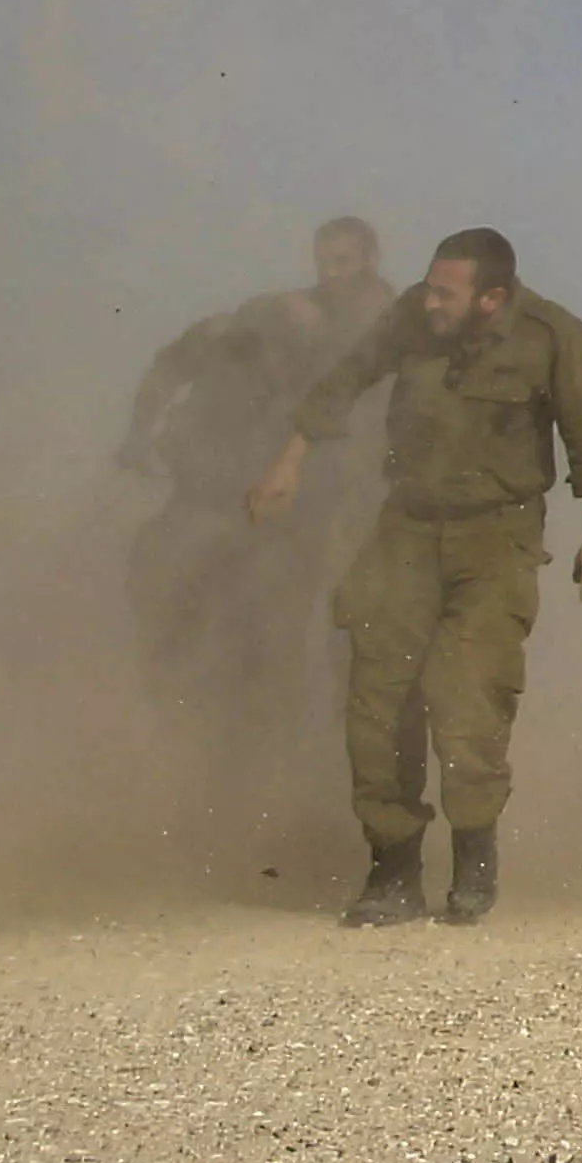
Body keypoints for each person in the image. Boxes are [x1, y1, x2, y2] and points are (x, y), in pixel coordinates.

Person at [252, 228, 582, 929]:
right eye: (428, 287)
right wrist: (291, 457)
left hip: (497, 536)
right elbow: (349, 373)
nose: (429, 302)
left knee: (468, 698)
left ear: (492, 299)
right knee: (377, 694)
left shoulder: (553, 336)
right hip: (408, 526)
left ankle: (473, 857)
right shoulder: (412, 318)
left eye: (444, 294)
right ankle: (392, 869)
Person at [115, 216, 395, 778]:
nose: (331, 273)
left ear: (369, 260)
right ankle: (227, 745)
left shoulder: (392, 325)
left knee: (335, 627)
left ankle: (318, 755)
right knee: (234, 614)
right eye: (325, 261)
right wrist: (139, 437)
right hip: (257, 494)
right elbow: (176, 364)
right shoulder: (281, 316)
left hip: (336, 497)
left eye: (344, 262)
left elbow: (374, 419)